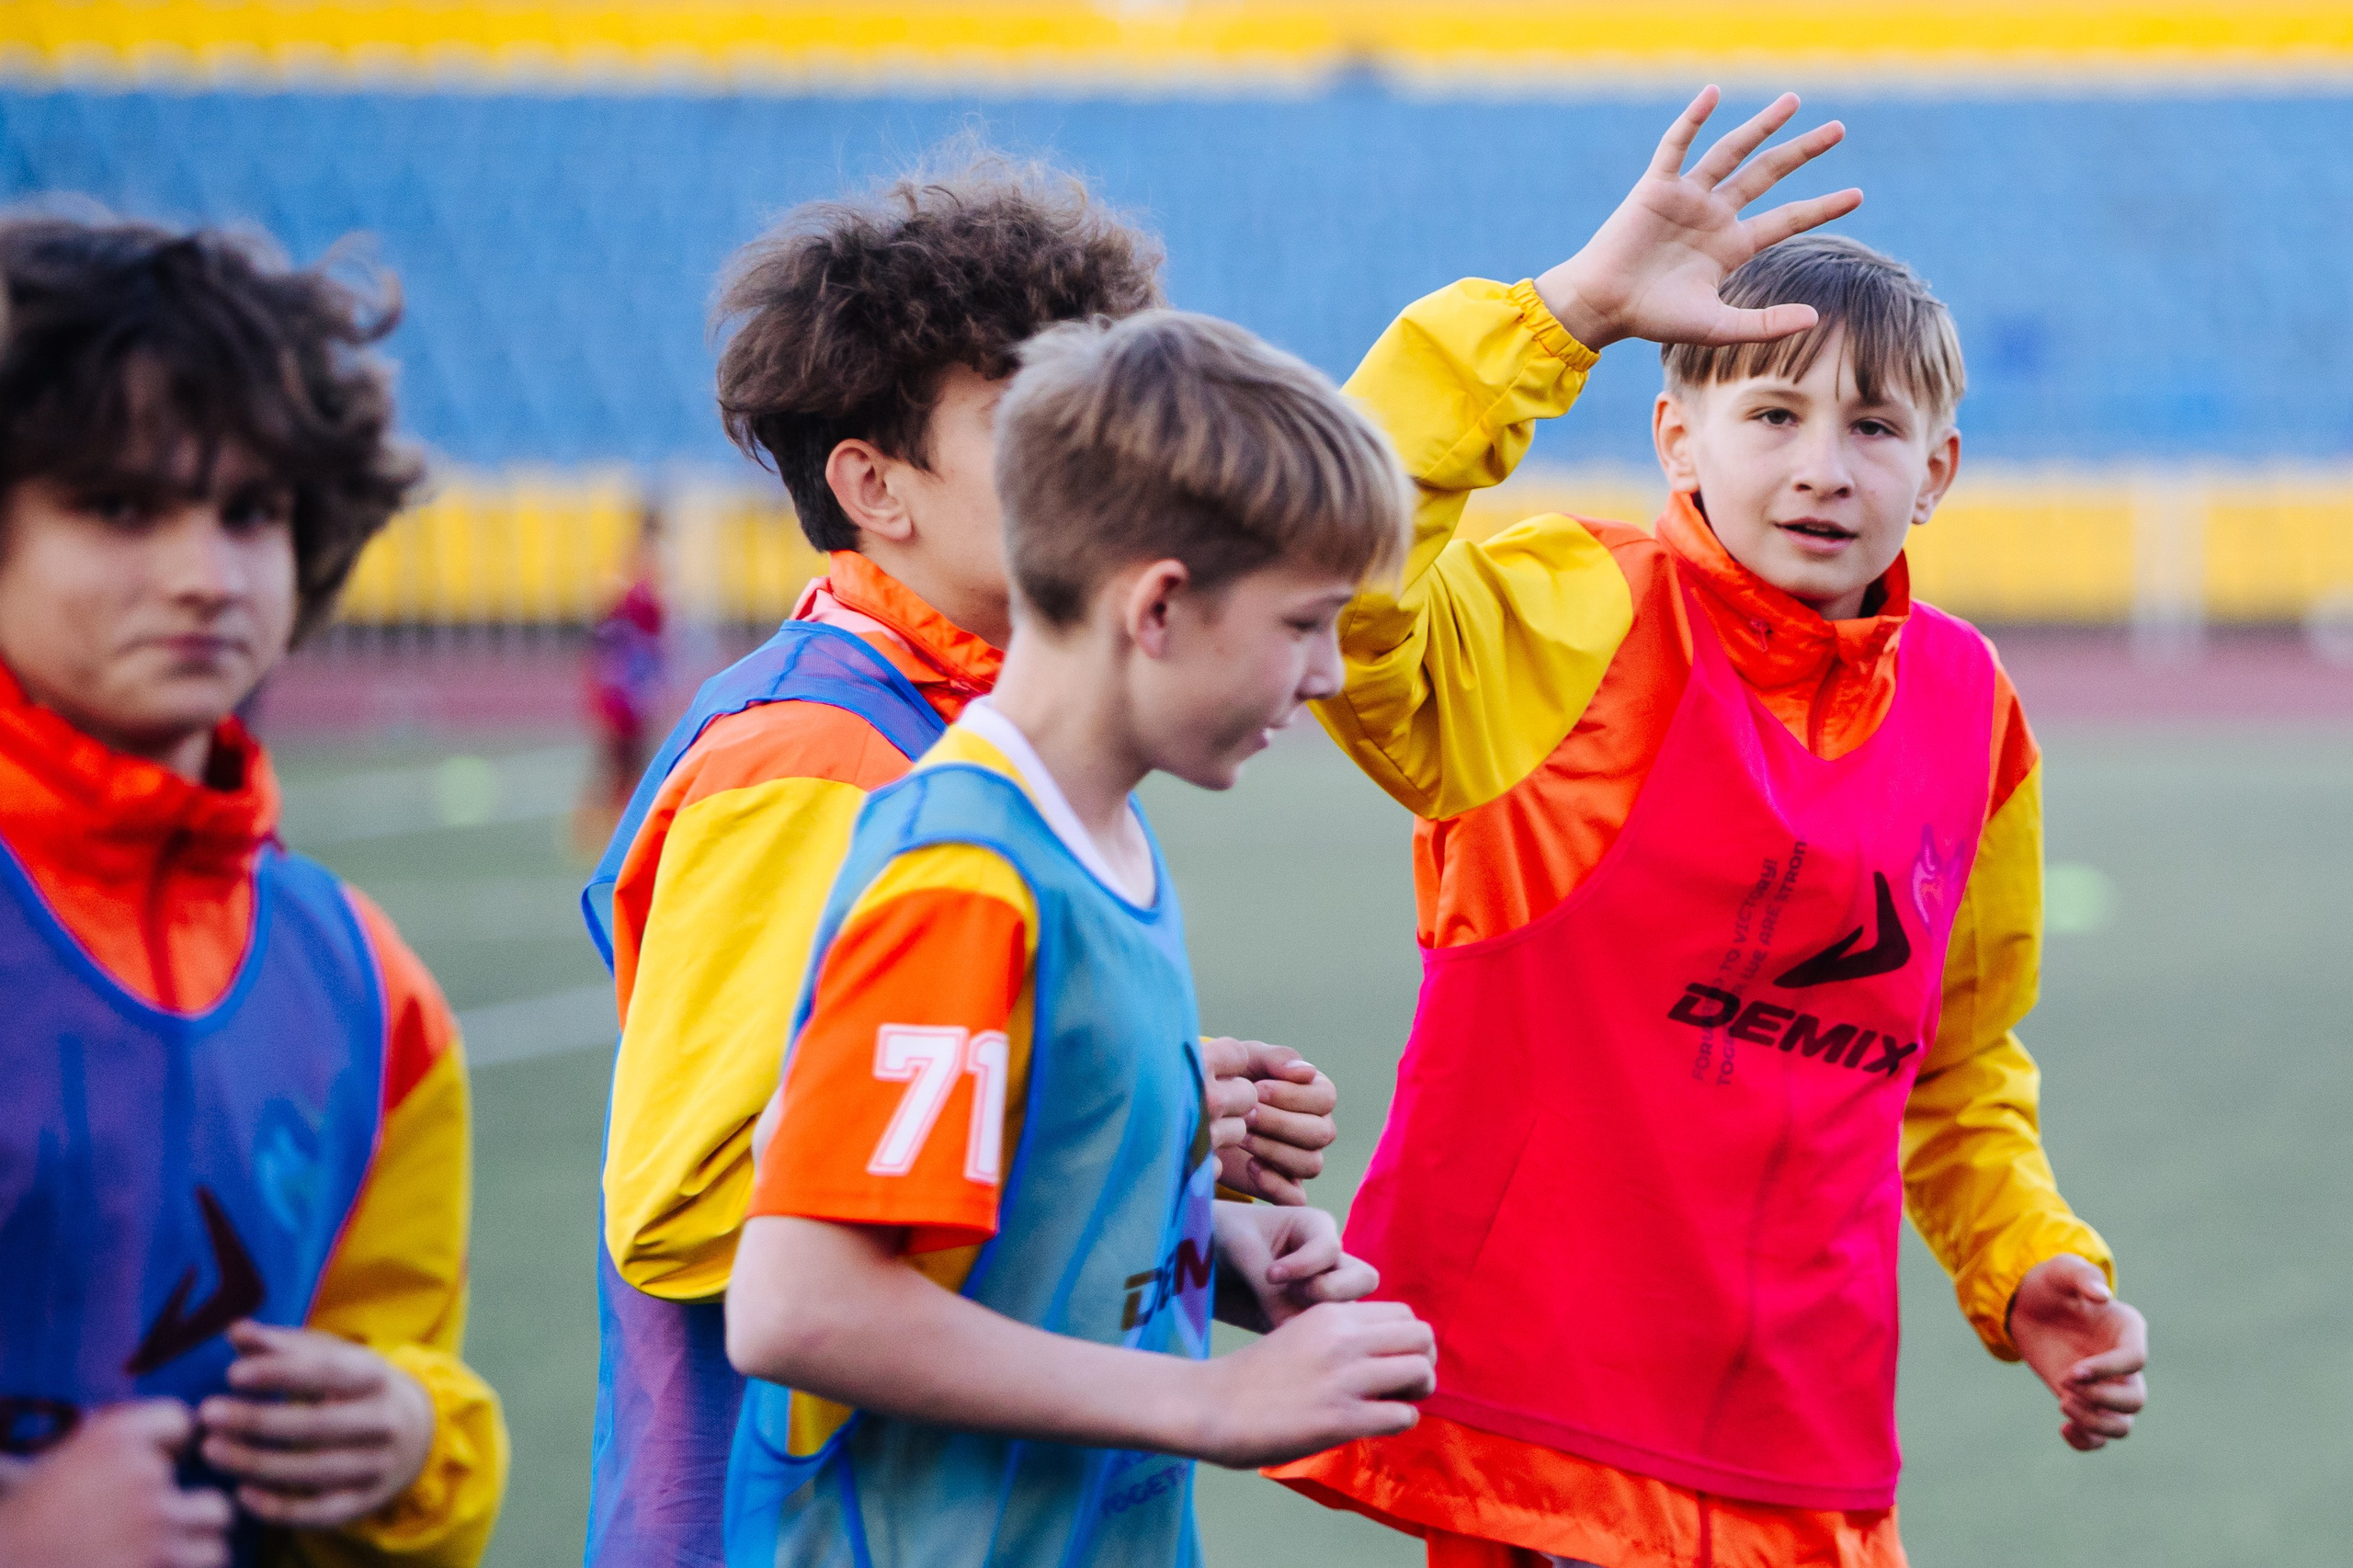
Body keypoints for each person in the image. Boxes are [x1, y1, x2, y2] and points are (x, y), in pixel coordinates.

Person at [1267, 89, 2151, 1568]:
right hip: (1536, 1439)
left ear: (1935, 471)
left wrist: (2028, 1262)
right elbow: (1326, 555)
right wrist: (1557, 315)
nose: (1823, 464)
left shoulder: (1968, 710)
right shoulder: (1572, 619)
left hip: (1799, 1455)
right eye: (1772, 413)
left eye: (1874, 426)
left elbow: (1951, 1060)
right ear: (1679, 436)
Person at [578, 153, 1342, 1567]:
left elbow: (922, 1102)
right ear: (876, 485)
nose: (1111, 460)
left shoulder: (1004, 726)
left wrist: (1157, 1160)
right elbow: (690, 1214)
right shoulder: (819, 754)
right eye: (1034, 421)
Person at [725, 307, 1436, 1568]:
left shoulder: (1094, 834)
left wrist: (1208, 1247)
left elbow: (993, 1214)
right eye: (1304, 622)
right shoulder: (966, 878)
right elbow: (802, 1303)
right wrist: (1208, 1401)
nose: (1328, 672)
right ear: (1156, 607)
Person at [0, 217, 507, 1567]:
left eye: (250, 512)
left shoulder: (365, 985)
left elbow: (395, 1352)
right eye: (120, 505)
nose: (202, 573)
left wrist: (409, 1436)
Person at [571, 501, 667, 858]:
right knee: (618, 761)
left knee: (627, 761)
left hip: (631, 689)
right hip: (624, 690)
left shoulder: (635, 580)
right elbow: (612, 640)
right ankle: (596, 829)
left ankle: (608, 829)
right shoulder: (630, 585)